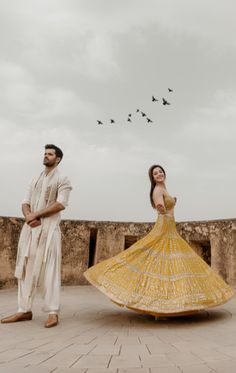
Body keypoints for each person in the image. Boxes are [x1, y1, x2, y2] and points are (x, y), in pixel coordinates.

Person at [84, 165, 234, 317]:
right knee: (154, 258)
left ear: (164, 173)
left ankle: (169, 304)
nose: (159, 174)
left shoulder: (164, 188)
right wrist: (165, 205)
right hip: (164, 226)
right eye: (155, 173)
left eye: (160, 171)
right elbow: (160, 207)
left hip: (170, 228)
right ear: (153, 178)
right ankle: (160, 305)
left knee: (168, 263)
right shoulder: (157, 190)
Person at [1, 144, 72, 327]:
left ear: (58, 159)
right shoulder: (35, 179)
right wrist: (28, 216)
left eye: (50, 154)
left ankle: (53, 312)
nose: (46, 156)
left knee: (50, 271)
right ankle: (23, 310)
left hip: (50, 231)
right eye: (45, 153)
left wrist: (36, 215)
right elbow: (25, 201)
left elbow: (61, 204)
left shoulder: (63, 178)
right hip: (31, 230)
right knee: (25, 269)